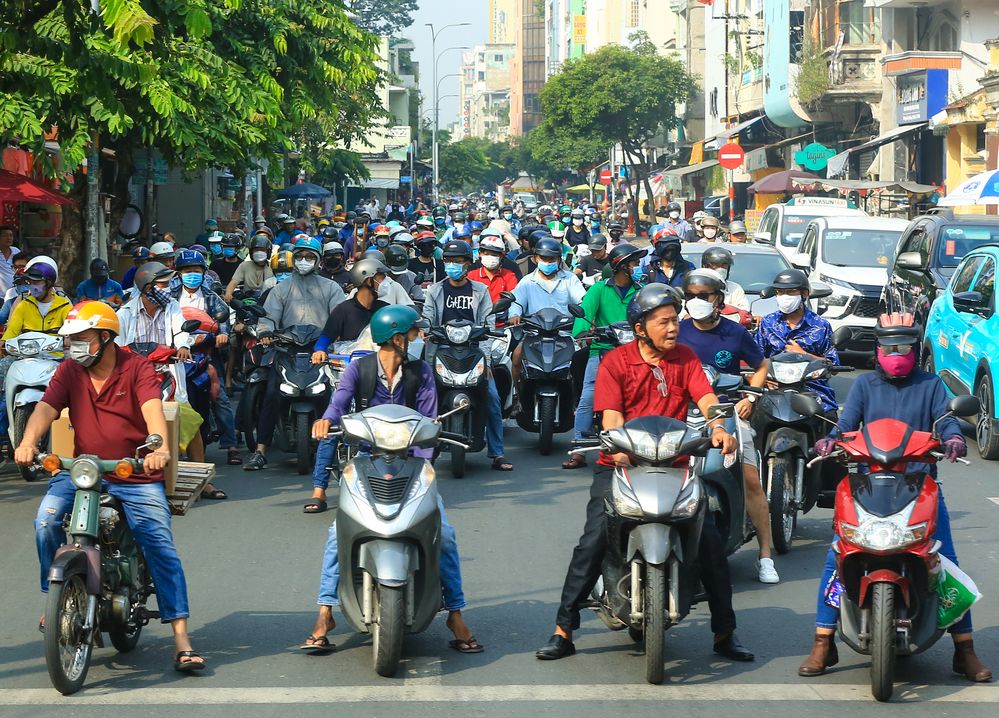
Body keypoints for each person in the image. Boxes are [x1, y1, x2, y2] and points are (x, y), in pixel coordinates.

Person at [536, 284, 752, 662]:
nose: (674, 329)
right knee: (592, 542)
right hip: (621, 467)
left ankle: (725, 632)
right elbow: (612, 418)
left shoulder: (685, 359)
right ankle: (563, 628)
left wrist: (719, 427)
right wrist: (620, 453)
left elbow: (706, 400)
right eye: (664, 322)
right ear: (640, 328)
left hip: (675, 467)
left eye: (675, 321)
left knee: (711, 545)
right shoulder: (615, 363)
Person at [15, 301, 206, 673]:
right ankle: (55, 598)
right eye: (70, 340)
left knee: (158, 542)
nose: (73, 346)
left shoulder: (136, 368)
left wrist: (159, 447)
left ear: (104, 337)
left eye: (81, 339)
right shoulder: (69, 371)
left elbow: (153, 408)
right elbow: (45, 410)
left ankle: (181, 637)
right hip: (84, 469)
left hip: (134, 471)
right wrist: (27, 442)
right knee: (46, 521)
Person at [799, 314, 991, 683]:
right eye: (889, 347)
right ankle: (823, 640)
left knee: (946, 560)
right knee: (837, 553)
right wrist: (831, 439)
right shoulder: (865, 385)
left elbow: (946, 420)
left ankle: (964, 649)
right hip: (868, 485)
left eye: (903, 346)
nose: (896, 353)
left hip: (919, 485)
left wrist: (952, 438)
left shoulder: (932, 385)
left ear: (915, 350)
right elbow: (846, 423)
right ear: (877, 350)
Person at [301, 306, 483, 654]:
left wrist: (425, 460)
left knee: (444, 534)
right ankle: (325, 612)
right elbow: (339, 401)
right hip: (367, 461)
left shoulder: (422, 372)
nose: (417, 339)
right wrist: (326, 420)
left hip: (412, 464)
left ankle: (455, 613)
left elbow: (430, 417)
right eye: (412, 334)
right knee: (335, 534)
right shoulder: (360, 369)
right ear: (397, 339)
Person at [677, 270, 779, 583]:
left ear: (718, 299)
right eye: (691, 296)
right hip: (683, 414)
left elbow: (762, 365)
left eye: (703, 296)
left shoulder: (734, 333)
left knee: (750, 478)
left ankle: (765, 556)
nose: (697, 302)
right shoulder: (676, 331)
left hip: (728, 411)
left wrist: (750, 396)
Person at [244, 237, 347, 470]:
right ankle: (260, 450)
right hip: (286, 350)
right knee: (271, 393)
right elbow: (268, 317)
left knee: (333, 394)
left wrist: (337, 335)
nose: (304, 261)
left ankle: (335, 444)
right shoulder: (280, 289)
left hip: (321, 350)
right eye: (300, 256)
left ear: (318, 260)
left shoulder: (331, 288)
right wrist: (266, 332)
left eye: (309, 257)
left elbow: (339, 317)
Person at [304, 258, 391, 513]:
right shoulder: (343, 310)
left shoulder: (385, 310)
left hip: (378, 379)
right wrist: (320, 351)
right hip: (345, 377)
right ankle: (318, 490)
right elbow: (326, 338)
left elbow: (399, 337)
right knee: (332, 426)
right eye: (380, 277)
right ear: (367, 280)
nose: (384, 282)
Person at [422, 240, 512, 472]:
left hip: (474, 352)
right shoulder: (434, 291)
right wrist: (426, 329)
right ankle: (422, 453)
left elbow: (489, 325)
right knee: (426, 400)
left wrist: (488, 360)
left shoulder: (480, 291)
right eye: (449, 261)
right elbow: (428, 319)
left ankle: (497, 453)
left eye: (458, 261)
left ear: (467, 264)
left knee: (492, 398)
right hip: (441, 351)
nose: (453, 265)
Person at [564, 243, 645, 470]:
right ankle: (579, 450)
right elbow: (584, 313)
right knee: (588, 396)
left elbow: (651, 314)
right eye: (633, 263)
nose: (637, 267)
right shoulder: (598, 289)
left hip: (636, 352)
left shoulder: (641, 290)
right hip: (602, 350)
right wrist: (583, 330)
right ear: (621, 266)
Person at [171, 250, 241, 472]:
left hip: (206, 354)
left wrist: (222, 333)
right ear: (179, 274)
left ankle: (230, 445)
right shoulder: (171, 298)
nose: (192, 275)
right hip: (177, 356)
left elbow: (224, 320)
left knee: (218, 397)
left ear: (203, 273)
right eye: (187, 271)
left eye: (196, 271)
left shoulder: (212, 297)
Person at [755, 269, 838, 414]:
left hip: (812, 389)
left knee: (831, 423)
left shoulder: (820, 325)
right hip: (773, 389)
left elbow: (833, 365)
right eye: (780, 292)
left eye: (790, 292)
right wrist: (764, 379)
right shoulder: (767, 322)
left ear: (804, 294)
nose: (784, 297)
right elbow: (755, 360)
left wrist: (805, 355)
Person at [1, 260, 72, 342]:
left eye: (36, 282)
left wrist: (68, 338)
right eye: (30, 282)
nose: (32, 286)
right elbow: (12, 331)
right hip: (26, 352)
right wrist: (3, 342)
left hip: (56, 354)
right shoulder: (24, 305)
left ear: (48, 283)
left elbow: (70, 331)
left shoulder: (64, 305)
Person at [468, 233, 519, 305]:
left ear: (501, 256)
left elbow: (514, 301)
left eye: (494, 255)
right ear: (480, 254)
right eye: (486, 254)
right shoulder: (472, 276)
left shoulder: (509, 276)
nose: (490, 257)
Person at [224, 234, 274, 301]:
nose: (259, 252)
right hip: (248, 300)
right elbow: (234, 282)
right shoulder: (244, 265)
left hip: (267, 300)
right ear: (251, 252)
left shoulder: (273, 266)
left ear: (268, 252)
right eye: (256, 250)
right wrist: (228, 294)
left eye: (262, 250)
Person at [701, 246, 749, 313]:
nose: (720, 269)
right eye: (716, 265)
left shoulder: (735, 288)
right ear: (705, 267)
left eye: (724, 265)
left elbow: (744, 312)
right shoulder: (696, 286)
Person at [0, 224, 21, 295]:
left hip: (15, 294)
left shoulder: (16, 251)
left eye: (11, 235)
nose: (9, 238)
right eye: (5, 235)